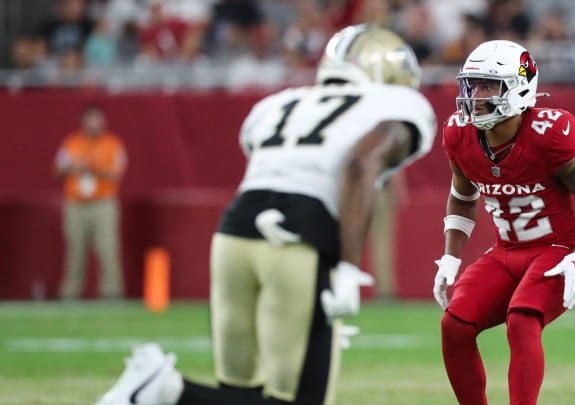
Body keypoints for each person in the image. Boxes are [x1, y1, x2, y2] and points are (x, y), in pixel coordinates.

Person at [94, 24, 437, 405]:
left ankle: (161, 389)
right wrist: (347, 268)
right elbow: (360, 165)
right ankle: (164, 389)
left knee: (237, 391)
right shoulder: (395, 106)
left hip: (233, 232)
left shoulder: (280, 103)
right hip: (295, 238)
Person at [432, 40, 575, 405]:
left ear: (518, 88)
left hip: (556, 250)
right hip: (505, 252)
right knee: (454, 324)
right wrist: (451, 257)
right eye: (472, 84)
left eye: (488, 85)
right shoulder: (459, 133)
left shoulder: (549, 133)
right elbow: (462, 195)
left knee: (522, 321)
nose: (475, 95)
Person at [55, 104, 127, 300]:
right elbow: (57, 170)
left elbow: (117, 173)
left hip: (103, 204)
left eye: (97, 119)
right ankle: (70, 291)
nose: (94, 124)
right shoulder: (71, 143)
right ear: (83, 122)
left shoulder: (113, 145)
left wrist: (93, 168)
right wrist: (74, 167)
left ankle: (112, 291)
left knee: (107, 249)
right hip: (76, 204)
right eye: (90, 119)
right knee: (75, 251)